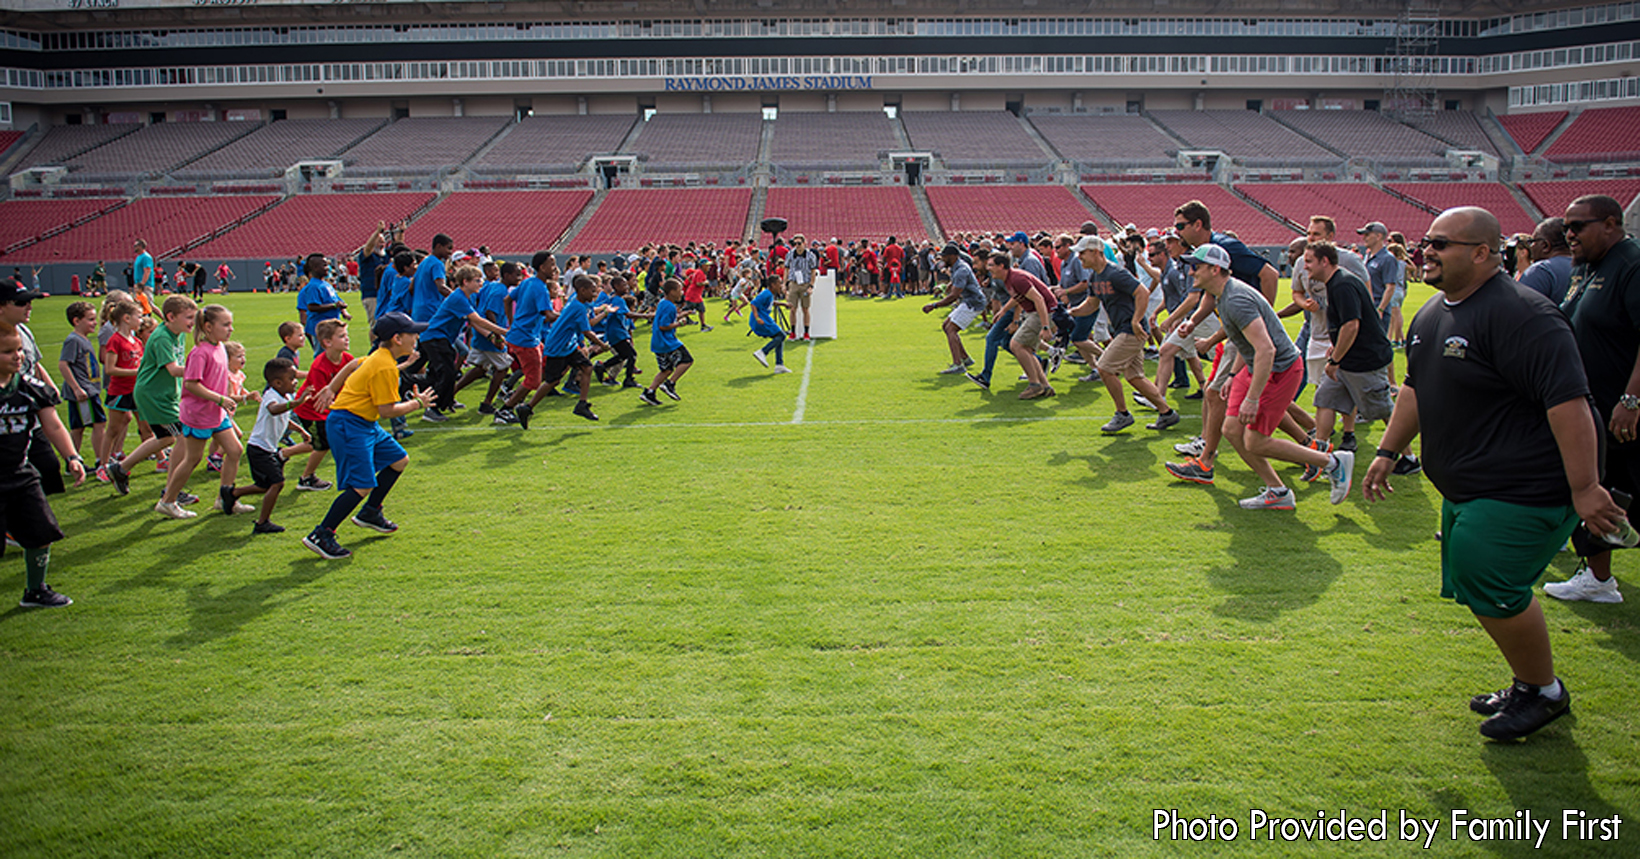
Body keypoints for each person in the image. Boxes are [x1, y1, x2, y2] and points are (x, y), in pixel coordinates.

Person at [1364, 205, 1624, 741]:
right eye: (1426, 242)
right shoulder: (1433, 312)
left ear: (1482, 252)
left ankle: (1544, 690)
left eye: (1442, 243)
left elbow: (1570, 404)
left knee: (1492, 582)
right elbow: (1416, 386)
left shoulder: (1523, 315)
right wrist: (1389, 449)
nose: (1427, 251)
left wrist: (1585, 487)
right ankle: (1529, 683)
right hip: (1468, 486)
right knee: (1479, 585)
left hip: (1523, 486)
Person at [1176, 244, 1352, 509]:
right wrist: (1234, 375)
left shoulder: (1235, 300)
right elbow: (1245, 343)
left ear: (1215, 269)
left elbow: (1266, 349)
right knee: (1231, 429)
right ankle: (1278, 490)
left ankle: (1332, 462)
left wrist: (1253, 398)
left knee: (1255, 440)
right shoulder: (1225, 295)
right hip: (1256, 367)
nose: (1191, 273)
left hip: (1280, 370)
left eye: (1196, 267)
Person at [1553, 194, 1640, 604]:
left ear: (1610, 223)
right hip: (1589, 406)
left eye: (1578, 226)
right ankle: (1598, 578)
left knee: (1616, 488)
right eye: (1566, 227)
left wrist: (1633, 398)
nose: (1569, 234)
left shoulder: (1631, 264)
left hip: (1620, 410)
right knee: (1594, 486)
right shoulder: (1586, 267)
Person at [302, 312, 436, 560]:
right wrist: (418, 404)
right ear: (397, 338)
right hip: (349, 424)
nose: (416, 337)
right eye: (412, 333)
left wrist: (332, 388)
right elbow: (387, 411)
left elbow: (353, 365)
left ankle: (370, 512)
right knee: (361, 484)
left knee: (399, 460)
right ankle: (322, 533)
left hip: (363, 422)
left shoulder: (381, 356)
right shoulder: (384, 365)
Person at [0, 324, 87, 608]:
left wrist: (72, 456)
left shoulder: (30, 388)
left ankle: (36, 590)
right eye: (8, 352)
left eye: (19, 351)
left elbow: (53, 424)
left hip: (20, 472)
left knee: (40, 531)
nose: (18, 357)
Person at [1300, 242, 1396, 481]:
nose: (1305, 266)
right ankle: (1319, 457)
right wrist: (1336, 346)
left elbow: (1352, 324)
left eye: (1309, 261)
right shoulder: (1335, 283)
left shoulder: (1342, 284)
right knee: (1325, 399)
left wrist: (1334, 358)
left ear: (1325, 261)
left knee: (1382, 408)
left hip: (1364, 359)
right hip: (1347, 359)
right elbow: (1345, 324)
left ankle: (1407, 458)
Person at [1067, 236, 1181, 432]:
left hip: (1131, 330)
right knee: (1134, 377)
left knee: (1104, 368)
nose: (1079, 257)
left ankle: (1122, 414)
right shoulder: (1095, 276)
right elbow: (1091, 304)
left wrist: (1136, 320)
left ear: (1096, 252)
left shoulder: (1115, 273)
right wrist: (1071, 312)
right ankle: (1167, 413)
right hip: (1124, 329)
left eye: (1082, 253)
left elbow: (1142, 292)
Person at [152, 305, 250, 520]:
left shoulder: (220, 348)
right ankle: (167, 501)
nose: (230, 329)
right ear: (208, 327)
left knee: (234, 450)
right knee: (192, 459)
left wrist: (226, 398)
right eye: (225, 325)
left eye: (230, 324)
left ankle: (225, 498)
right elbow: (192, 384)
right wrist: (221, 399)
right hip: (198, 414)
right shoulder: (199, 352)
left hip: (216, 412)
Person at [230, 357, 314, 534]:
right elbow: (274, 410)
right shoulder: (271, 396)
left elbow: (284, 417)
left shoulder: (285, 396)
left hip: (267, 449)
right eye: (291, 378)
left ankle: (232, 493)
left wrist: (300, 430)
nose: (295, 382)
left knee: (264, 485)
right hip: (259, 449)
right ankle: (262, 523)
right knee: (277, 483)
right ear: (277, 382)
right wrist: (297, 403)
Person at [514, 274, 607, 426]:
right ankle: (526, 407)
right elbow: (587, 331)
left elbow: (586, 316)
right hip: (557, 347)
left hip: (567, 345)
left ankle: (582, 404)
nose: (595, 294)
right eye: (592, 291)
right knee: (551, 381)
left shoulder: (577, 302)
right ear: (582, 290)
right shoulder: (578, 307)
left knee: (587, 367)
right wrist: (602, 345)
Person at [418, 264, 508, 422]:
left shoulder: (467, 297)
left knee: (438, 374)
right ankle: (432, 408)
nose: (481, 283)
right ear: (465, 282)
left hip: (439, 338)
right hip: (435, 338)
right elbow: (477, 319)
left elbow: (475, 322)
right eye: (477, 280)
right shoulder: (459, 297)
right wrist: (503, 332)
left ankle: (440, 402)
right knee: (445, 373)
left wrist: (493, 336)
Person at [495, 251, 559, 426]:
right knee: (534, 380)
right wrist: (568, 316)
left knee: (546, 365)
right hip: (525, 339)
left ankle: (513, 394)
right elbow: (549, 315)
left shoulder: (527, 282)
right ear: (541, 267)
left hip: (526, 336)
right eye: (551, 264)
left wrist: (512, 322)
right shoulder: (540, 288)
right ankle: (505, 409)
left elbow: (507, 300)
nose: (554, 268)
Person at [58, 300, 106, 470]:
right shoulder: (74, 340)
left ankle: (73, 461)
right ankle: (101, 460)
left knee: (79, 426)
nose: (95, 323)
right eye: (91, 319)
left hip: (89, 389)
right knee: (98, 424)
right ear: (77, 321)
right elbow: (63, 364)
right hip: (84, 392)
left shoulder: (82, 339)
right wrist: (77, 388)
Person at [99, 300, 144, 482]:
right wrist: (136, 372)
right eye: (138, 316)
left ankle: (160, 459)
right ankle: (102, 466)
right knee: (113, 429)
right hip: (120, 391)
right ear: (126, 318)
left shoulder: (137, 341)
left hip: (136, 390)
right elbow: (110, 369)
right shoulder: (115, 340)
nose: (141, 320)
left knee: (142, 424)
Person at [923, 243, 984, 374]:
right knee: (946, 326)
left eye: (945, 257)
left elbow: (954, 296)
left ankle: (958, 365)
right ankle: (966, 359)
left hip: (973, 302)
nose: (942, 259)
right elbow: (954, 284)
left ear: (953, 256)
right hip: (969, 300)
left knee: (951, 328)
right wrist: (943, 287)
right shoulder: (957, 267)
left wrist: (934, 306)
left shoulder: (961, 269)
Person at [640, 279, 697, 405]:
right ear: (672, 292)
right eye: (680, 290)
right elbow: (663, 325)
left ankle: (649, 392)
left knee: (666, 370)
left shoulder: (663, 303)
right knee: (687, 360)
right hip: (667, 342)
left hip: (658, 342)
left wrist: (682, 315)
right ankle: (670, 384)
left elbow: (667, 318)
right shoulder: (670, 306)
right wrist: (679, 324)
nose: (682, 293)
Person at [1517, 217, 1574, 306]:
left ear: (1545, 246)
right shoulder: (1587, 267)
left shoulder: (1541, 270)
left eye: (1533, 242)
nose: (1531, 247)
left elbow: (1519, 310)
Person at [297, 254, 349, 351]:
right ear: (315, 268)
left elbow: (337, 300)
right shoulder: (313, 286)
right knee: (322, 355)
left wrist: (343, 310)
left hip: (332, 327)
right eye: (324, 265)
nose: (327, 268)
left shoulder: (326, 284)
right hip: (321, 328)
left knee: (334, 354)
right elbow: (312, 306)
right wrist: (334, 306)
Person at [749, 277, 792, 375]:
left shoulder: (769, 294)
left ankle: (779, 365)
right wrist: (757, 318)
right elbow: (753, 304)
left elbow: (770, 303)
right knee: (782, 335)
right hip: (761, 320)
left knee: (779, 337)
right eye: (779, 283)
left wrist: (783, 304)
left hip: (763, 318)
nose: (781, 285)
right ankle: (763, 352)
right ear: (772, 285)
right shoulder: (766, 293)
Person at [409, 234, 453, 323]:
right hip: (431, 310)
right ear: (439, 246)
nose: (450, 252)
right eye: (448, 248)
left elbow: (411, 288)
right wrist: (458, 297)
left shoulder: (423, 262)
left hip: (418, 310)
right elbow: (441, 287)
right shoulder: (437, 264)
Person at [785, 235, 817, 340]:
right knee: (792, 308)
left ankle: (806, 332)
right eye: (795, 244)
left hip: (805, 283)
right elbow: (786, 269)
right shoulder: (790, 254)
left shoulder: (810, 255)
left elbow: (813, 272)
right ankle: (793, 332)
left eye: (799, 243)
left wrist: (811, 286)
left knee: (805, 308)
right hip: (794, 283)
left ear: (804, 243)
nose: (797, 246)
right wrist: (785, 284)